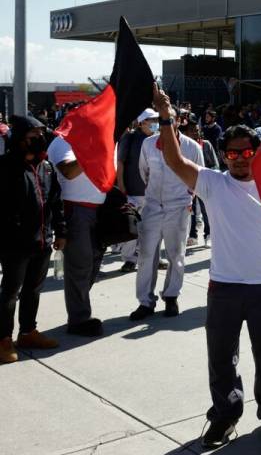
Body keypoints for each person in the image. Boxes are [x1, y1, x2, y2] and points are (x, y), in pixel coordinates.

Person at [151, 87, 261, 448]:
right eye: (232, 153)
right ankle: (224, 417)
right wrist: (166, 116)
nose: (239, 159)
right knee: (221, 361)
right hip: (224, 289)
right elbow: (174, 160)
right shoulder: (212, 184)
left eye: (247, 152)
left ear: (257, 152)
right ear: (223, 156)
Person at [0, 115, 66, 363]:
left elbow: (55, 202)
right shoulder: (5, 167)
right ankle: (3, 339)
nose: (39, 140)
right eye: (33, 137)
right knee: (10, 292)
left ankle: (27, 332)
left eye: (41, 135)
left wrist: (60, 232)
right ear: (19, 140)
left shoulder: (46, 167)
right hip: (15, 245)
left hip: (42, 241)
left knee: (33, 290)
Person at [129, 112, 204, 321]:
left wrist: (187, 199)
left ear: (179, 121)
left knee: (176, 255)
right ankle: (145, 301)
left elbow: (199, 175)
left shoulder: (191, 147)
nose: (161, 123)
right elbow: (144, 172)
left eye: (167, 119)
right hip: (152, 205)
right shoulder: (148, 144)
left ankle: (171, 296)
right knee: (145, 256)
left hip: (179, 206)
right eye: (158, 120)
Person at [47, 132, 108, 337]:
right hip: (76, 209)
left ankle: (79, 309)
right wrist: (93, 151)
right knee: (80, 265)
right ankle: (79, 319)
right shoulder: (62, 142)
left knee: (93, 262)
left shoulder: (100, 138)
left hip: (99, 209)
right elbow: (69, 171)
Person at [116, 109, 158, 273]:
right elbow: (120, 163)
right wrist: (121, 186)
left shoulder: (158, 139)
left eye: (156, 119)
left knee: (152, 229)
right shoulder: (130, 138)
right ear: (141, 123)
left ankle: (151, 258)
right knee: (131, 228)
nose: (155, 123)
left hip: (154, 193)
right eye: (151, 120)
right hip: (133, 191)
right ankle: (129, 259)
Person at [183, 117, 219, 247]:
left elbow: (215, 164)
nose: (195, 133)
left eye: (197, 130)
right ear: (186, 133)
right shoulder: (184, 146)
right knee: (191, 210)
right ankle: (192, 235)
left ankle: (208, 235)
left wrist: (209, 175)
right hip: (189, 182)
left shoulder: (206, 144)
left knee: (206, 210)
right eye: (192, 130)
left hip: (204, 181)